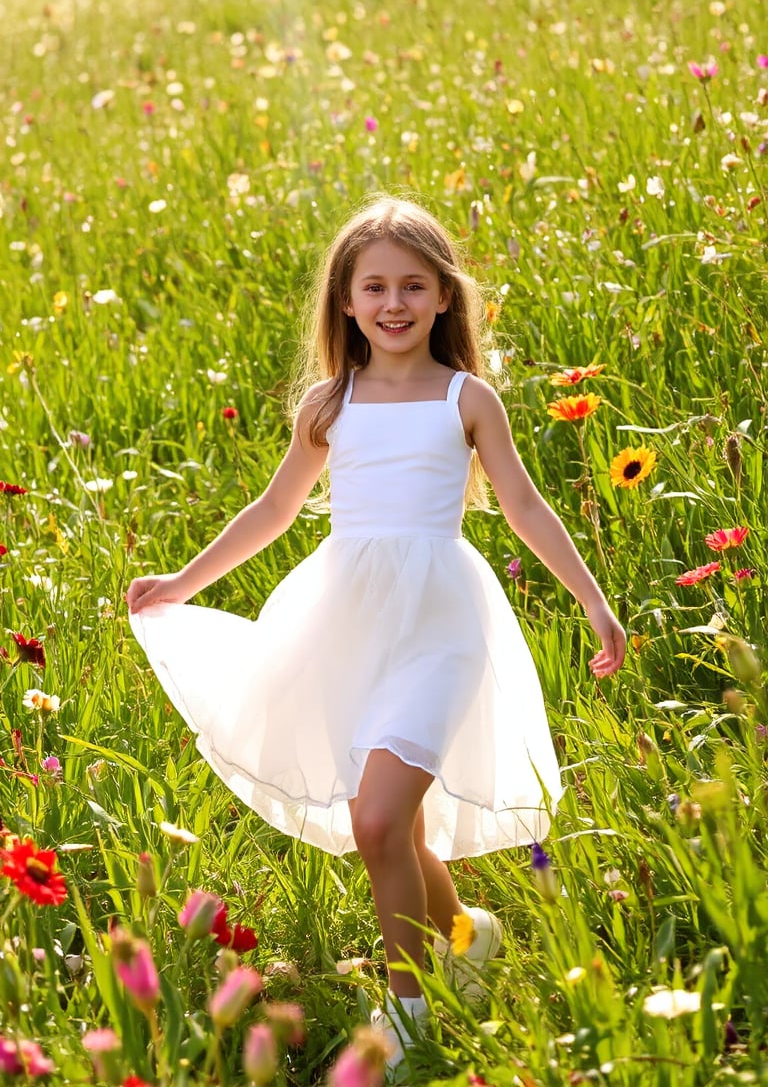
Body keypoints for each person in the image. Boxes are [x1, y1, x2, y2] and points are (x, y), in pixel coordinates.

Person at [127, 195, 625, 1074]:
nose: (394, 303)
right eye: (374, 287)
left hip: (440, 623)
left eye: (413, 285)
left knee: (379, 816)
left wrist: (591, 600)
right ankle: (466, 938)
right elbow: (276, 510)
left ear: (443, 298)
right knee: (390, 833)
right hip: (346, 622)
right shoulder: (332, 403)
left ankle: (409, 1017)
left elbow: (523, 505)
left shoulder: (468, 399)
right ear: (347, 304)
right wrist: (181, 581)